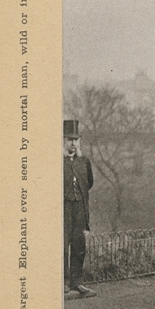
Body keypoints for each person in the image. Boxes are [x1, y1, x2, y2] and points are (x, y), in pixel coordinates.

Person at [63, 120, 96, 298]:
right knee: (62, 245)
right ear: (62, 141)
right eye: (69, 140)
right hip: (62, 209)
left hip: (80, 209)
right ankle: (63, 282)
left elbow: (88, 183)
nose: (73, 144)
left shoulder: (84, 162)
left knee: (78, 245)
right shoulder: (56, 162)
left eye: (76, 140)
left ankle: (77, 282)